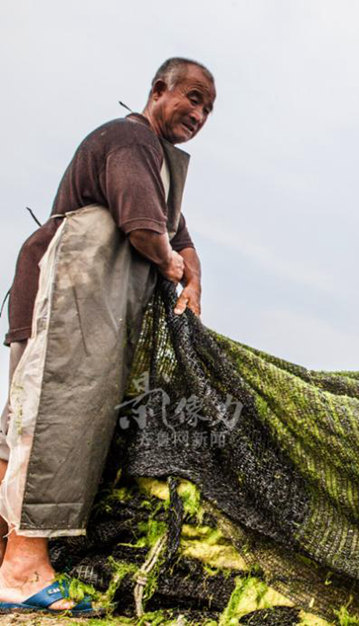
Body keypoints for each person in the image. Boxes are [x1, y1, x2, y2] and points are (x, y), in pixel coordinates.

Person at [0, 57, 216, 615]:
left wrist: (193, 271)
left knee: (20, 426)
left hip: (76, 306)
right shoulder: (129, 139)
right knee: (51, 419)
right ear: (158, 90)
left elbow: (176, 233)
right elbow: (146, 230)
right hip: (68, 297)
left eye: (207, 108)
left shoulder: (157, 167)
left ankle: (6, 558)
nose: (198, 113)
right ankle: (23, 569)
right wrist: (172, 266)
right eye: (191, 97)